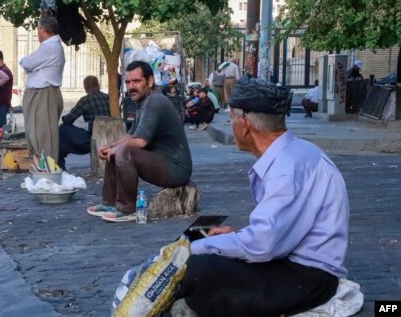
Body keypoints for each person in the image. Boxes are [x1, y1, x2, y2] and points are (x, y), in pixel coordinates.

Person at [174, 76, 349, 317]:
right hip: (295, 265)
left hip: (310, 278)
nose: (231, 126)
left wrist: (200, 246)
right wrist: (234, 238)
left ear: (244, 124)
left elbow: (262, 245)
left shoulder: (285, 169)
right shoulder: (297, 152)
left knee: (201, 268)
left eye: (231, 120)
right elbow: (275, 232)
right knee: (215, 261)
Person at [87, 61, 192, 222]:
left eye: (136, 81)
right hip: (162, 162)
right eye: (128, 82)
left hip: (176, 169)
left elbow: (140, 141)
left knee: (123, 151)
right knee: (118, 150)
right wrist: (108, 147)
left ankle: (126, 209)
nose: (131, 87)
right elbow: (130, 136)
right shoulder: (143, 103)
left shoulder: (154, 101)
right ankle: (109, 203)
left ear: (149, 81)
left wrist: (117, 149)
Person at [19, 16, 65, 166]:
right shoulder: (50, 46)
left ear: (43, 29)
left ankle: (47, 171)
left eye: (38, 28)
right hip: (40, 94)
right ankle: (40, 169)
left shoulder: (50, 47)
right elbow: (30, 65)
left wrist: (32, 66)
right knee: (34, 133)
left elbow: (26, 62)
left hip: (43, 94)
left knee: (43, 136)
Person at [58, 76, 110, 170]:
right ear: (98, 85)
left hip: (93, 139)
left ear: (85, 87)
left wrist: (64, 117)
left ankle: (60, 165)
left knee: (63, 129)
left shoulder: (86, 100)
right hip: (110, 138)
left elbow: (68, 120)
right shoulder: (107, 97)